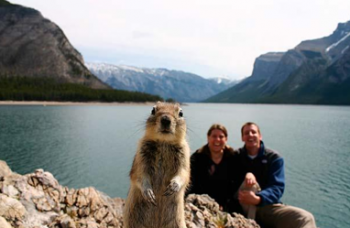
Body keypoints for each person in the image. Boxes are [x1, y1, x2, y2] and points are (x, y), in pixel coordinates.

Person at [234, 122, 317, 228]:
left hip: (266, 206)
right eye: (246, 133)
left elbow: (277, 187)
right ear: (242, 138)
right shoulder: (235, 156)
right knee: (251, 185)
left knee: (305, 218)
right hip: (242, 204)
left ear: (260, 136)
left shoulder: (274, 158)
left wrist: (258, 199)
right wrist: (248, 175)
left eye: (253, 132)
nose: (250, 135)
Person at [187, 123, 237, 211]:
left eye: (221, 137)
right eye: (214, 136)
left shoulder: (232, 157)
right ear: (208, 137)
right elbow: (190, 183)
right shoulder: (197, 157)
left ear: (226, 139)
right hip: (201, 204)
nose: (217, 139)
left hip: (227, 205)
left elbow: (236, 184)